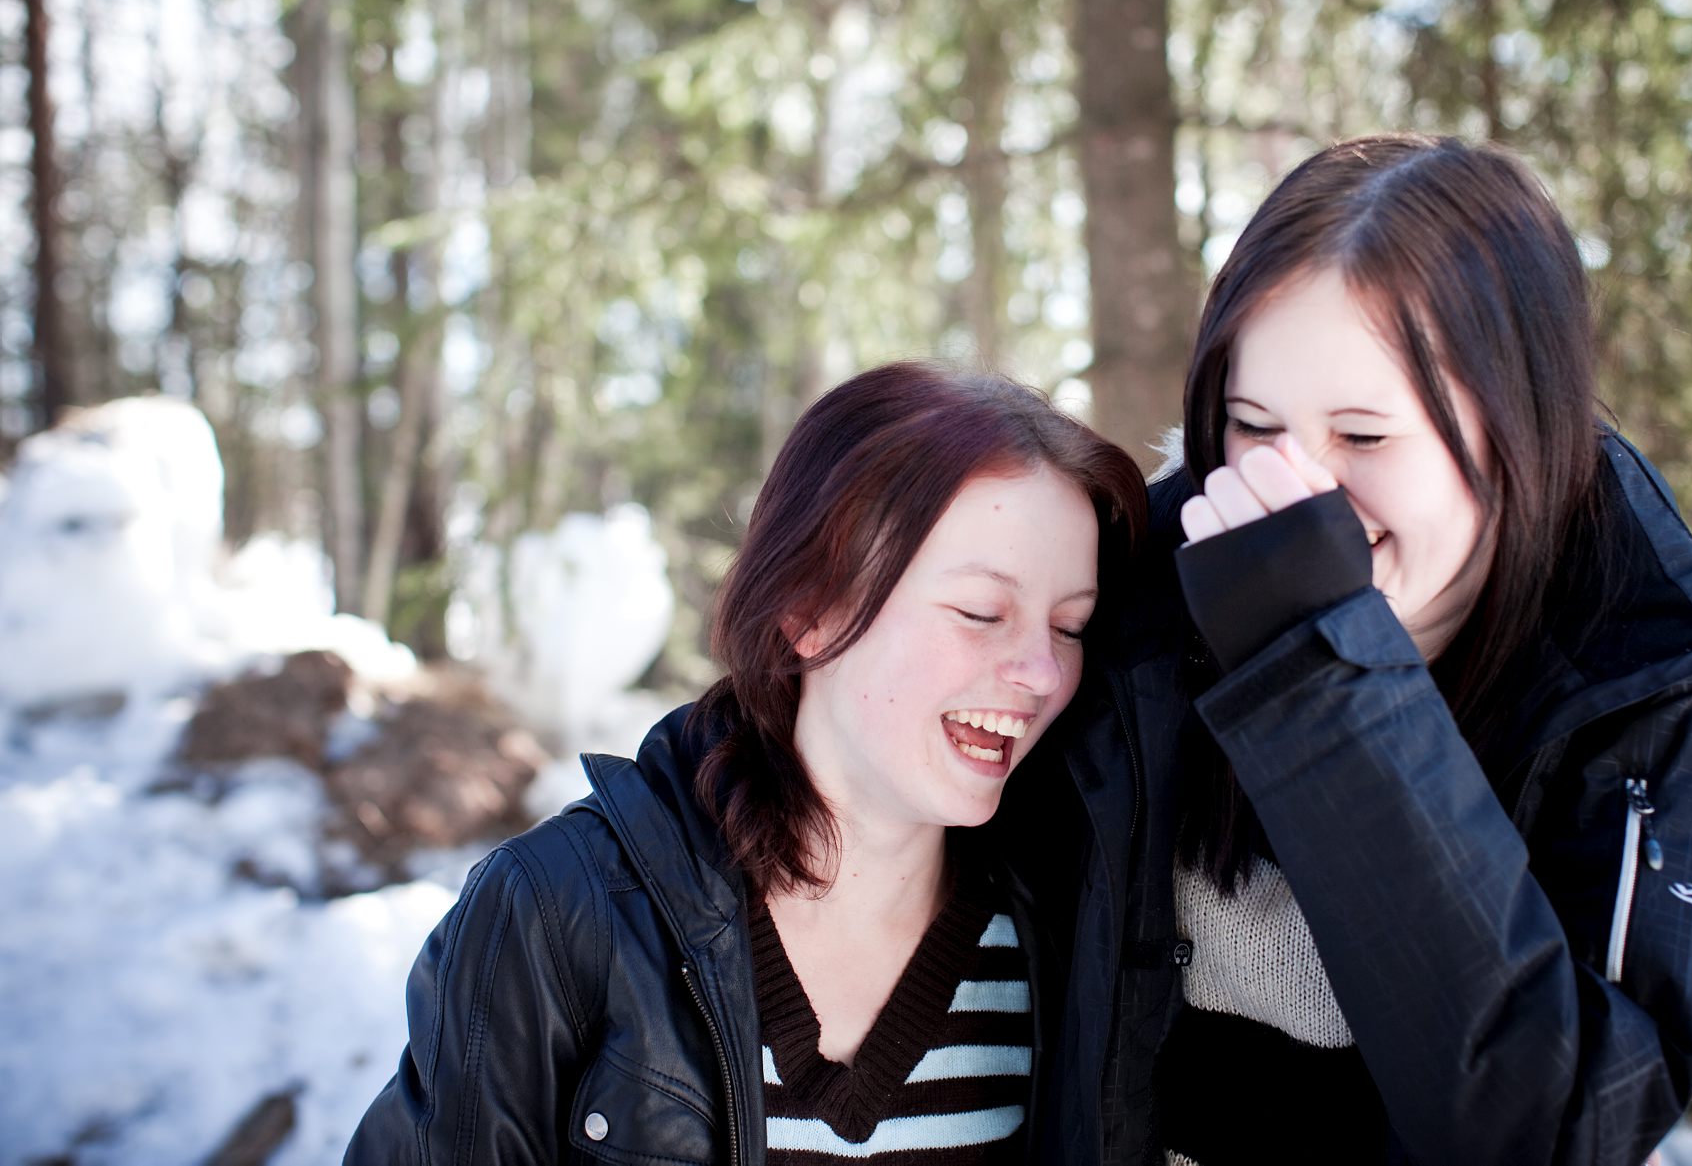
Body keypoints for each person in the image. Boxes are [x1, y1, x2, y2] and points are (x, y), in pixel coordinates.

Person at [1006, 134, 1692, 1165]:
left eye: (1363, 436)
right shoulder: (1130, 591)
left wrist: (1317, 680)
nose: (1296, 488)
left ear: (1518, 427)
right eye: (1253, 424)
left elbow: (1564, 1127)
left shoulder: (1653, 668)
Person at [347, 360, 1147, 1163]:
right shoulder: (560, 914)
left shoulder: (1071, 930)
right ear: (809, 607)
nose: (1042, 672)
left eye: (1069, 627)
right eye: (981, 611)